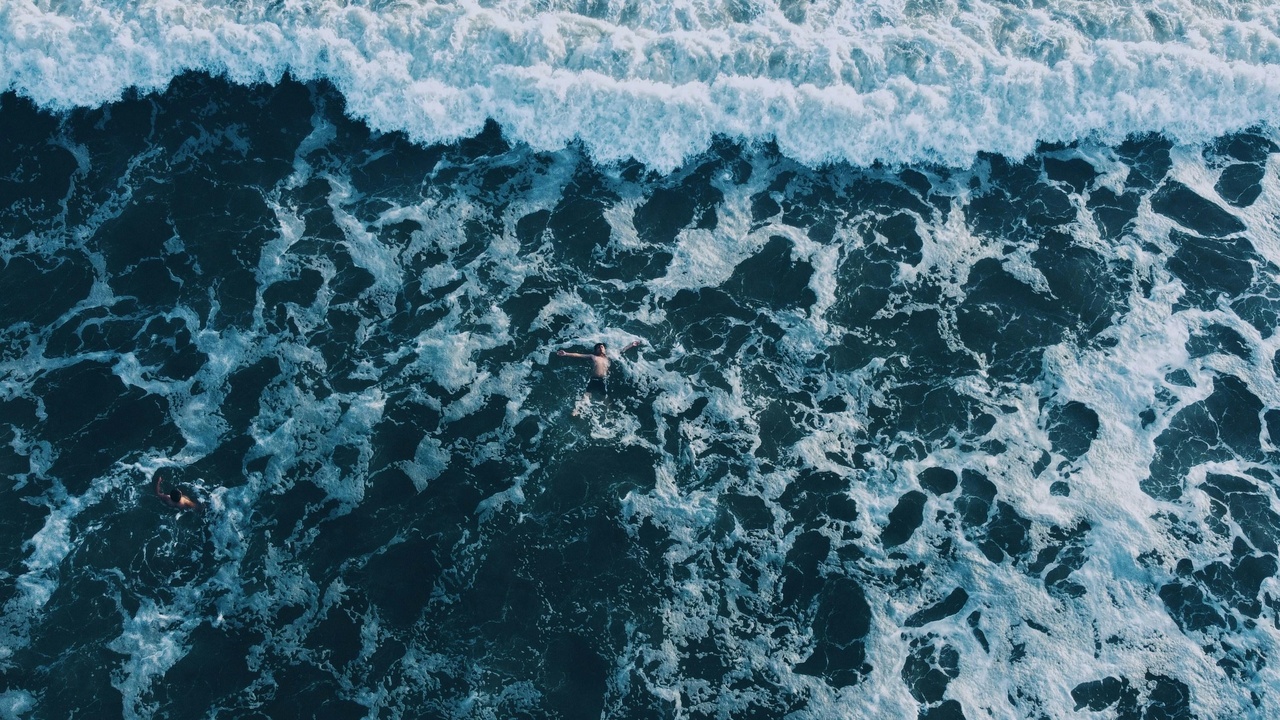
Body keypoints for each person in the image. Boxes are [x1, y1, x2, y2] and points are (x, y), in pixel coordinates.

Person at [557, 339, 643, 413]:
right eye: (598, 347)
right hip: (593, 379)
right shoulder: (593, 356)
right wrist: (566, 353)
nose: (600, 348)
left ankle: (609, 413)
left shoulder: (608, 357)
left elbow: (622, 350)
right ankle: (576, 411)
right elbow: (579, 355)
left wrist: (631, 345)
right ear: (595, 350)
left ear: (605, 349)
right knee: (586, 396)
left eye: (602, 347)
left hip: (603, 380)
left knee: (605, 397)